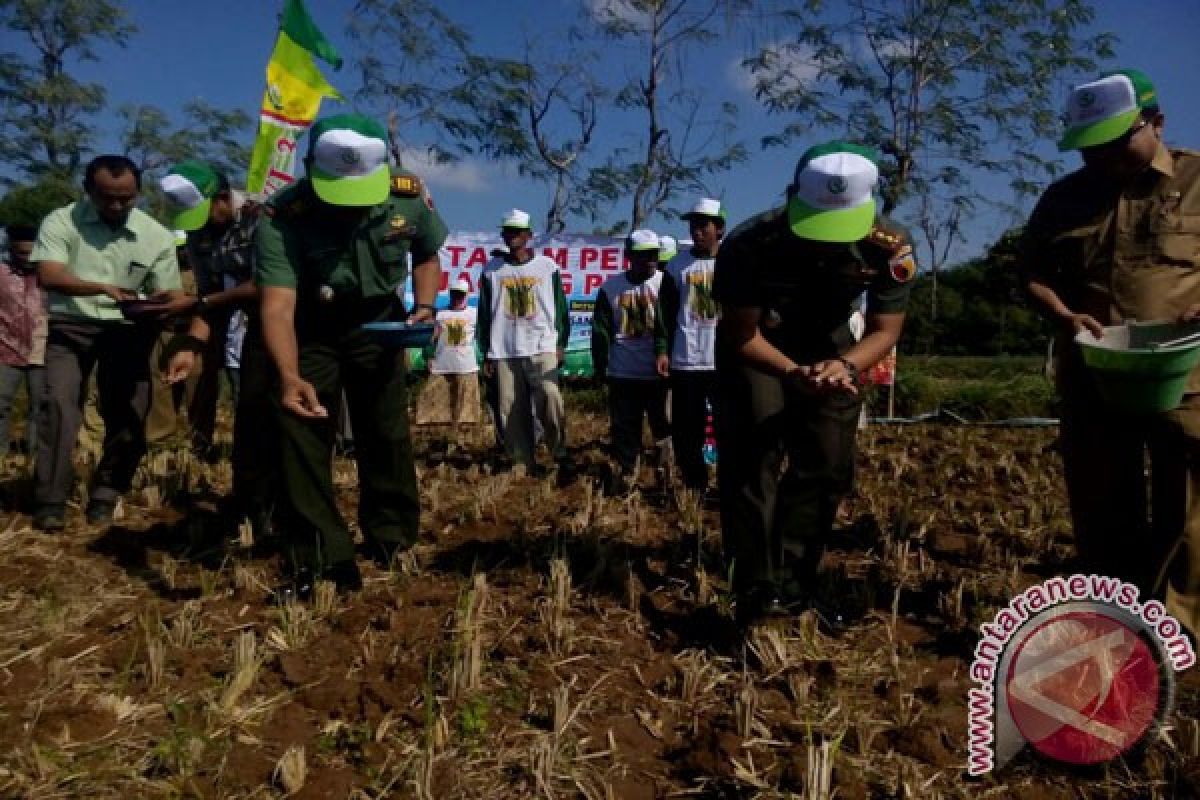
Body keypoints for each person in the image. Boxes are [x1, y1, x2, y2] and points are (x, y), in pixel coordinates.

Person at [1020, 69, 1200, 638]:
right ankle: (1118, 621)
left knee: (1190, 507)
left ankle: (1179, 632)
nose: (1103, 158)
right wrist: (1061, 314)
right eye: (1091, 148)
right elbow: (1028, 273)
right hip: (1094, 374)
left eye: (1116, 142)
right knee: (1103, 505)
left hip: (1186, 374)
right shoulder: (1065, 197)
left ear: (1157, 123)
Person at [714, 141, 914, 624]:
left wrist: (844, 367)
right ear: (792, 196)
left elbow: (886, 329)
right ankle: (756, 589)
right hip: (761, 349)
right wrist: (791, 372)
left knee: (827, 465)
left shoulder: (890, 244)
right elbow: (741, 334)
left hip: (836, 349)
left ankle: (794, 582)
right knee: (752, 460)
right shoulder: (750, 242)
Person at [255, 113, 448, 598]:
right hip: (312, 325)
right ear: (309, 169)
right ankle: (323, 557)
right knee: (300, 432)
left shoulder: (407, 197)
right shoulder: (284, 216)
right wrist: (289, 373)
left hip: (380, 321)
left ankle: (392, 536)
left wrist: (424, 306)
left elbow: (427, 253)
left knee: (384, 429)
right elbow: (277, 304)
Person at [31, 155, 189, 530]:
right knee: (58, 406)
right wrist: (99, 287)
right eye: (106, 198)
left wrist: (163, 303)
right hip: (70, 327)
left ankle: (107, 491)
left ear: (138, 192)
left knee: (131, 411)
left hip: (127, 330)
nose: (116, 206)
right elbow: (49, 274)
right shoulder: (60, 220)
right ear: (89, 191)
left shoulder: (156, 235)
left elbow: (169, 292)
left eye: (126, 198)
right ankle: (50, 500)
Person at [160, 160, 275, 538]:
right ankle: (250, 504)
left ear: (224, 197)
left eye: (206, 212)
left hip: (291, 328)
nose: (201, 225)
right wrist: (190, 347)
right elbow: (211, 300)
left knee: (279, 426)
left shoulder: (264, 215)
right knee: (249, 423)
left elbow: (267, 285)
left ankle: (277, 509)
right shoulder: (199, 233)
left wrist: (207, 303)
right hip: (248, 335)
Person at [477, 209, 570, 471]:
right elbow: (485, 314)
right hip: (505, 349)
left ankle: (560, 452)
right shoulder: (491, 270)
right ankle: (522, 461)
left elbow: (560, 309)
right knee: (511, 409)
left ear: (529, 235)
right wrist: (486, 352)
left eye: (517, 232)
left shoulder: (547, 267)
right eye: (507, 231)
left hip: (542, 346)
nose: (512, 236)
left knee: (550, 396)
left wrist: (560, 343)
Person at [592, 229, 671, 492]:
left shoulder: (666, 283)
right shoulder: (610, 288)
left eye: (653, 254)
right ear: (628, 256)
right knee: (625, 429)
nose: (649, 260)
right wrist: (600, 366)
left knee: (664, 426)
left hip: (659, 373)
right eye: (643, 255)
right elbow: (601, 331)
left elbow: (671, 327)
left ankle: (665, 475)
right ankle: (628, 475)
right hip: (623, 372)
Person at [661, 198, 725, 492]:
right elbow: (665, 313)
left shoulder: (733, 261)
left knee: (729, 425)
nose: (697, 231)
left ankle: (729, 483)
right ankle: (694, 484)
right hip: (686, 358)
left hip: (724, 359)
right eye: (693, 225)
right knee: (688, 428)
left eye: (704, 225)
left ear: (719, 229)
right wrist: (662, 350)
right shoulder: (676, 265)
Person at [0, 224, 47, 463]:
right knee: (1, 404)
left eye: (33, 253)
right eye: (22, 253)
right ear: (11, 250)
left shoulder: (52, 275)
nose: (28, 259)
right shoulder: (1, 274)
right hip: (5, 350)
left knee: (41, 408)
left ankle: (35, 457)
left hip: (43, 352)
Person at [417, 278, 481, 438]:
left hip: (466, 368)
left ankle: (464, 442)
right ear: (450, 294)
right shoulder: (440, 313)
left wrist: (484, 357)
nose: (457, 298)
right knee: (435, 410)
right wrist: (429, 356)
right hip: (441, 367)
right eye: (454, 294)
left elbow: (484, 335)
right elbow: (432, 338)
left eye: (461, 295)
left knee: (467, 414)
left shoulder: (475, 313)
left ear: (467, 295)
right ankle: (437, 440)